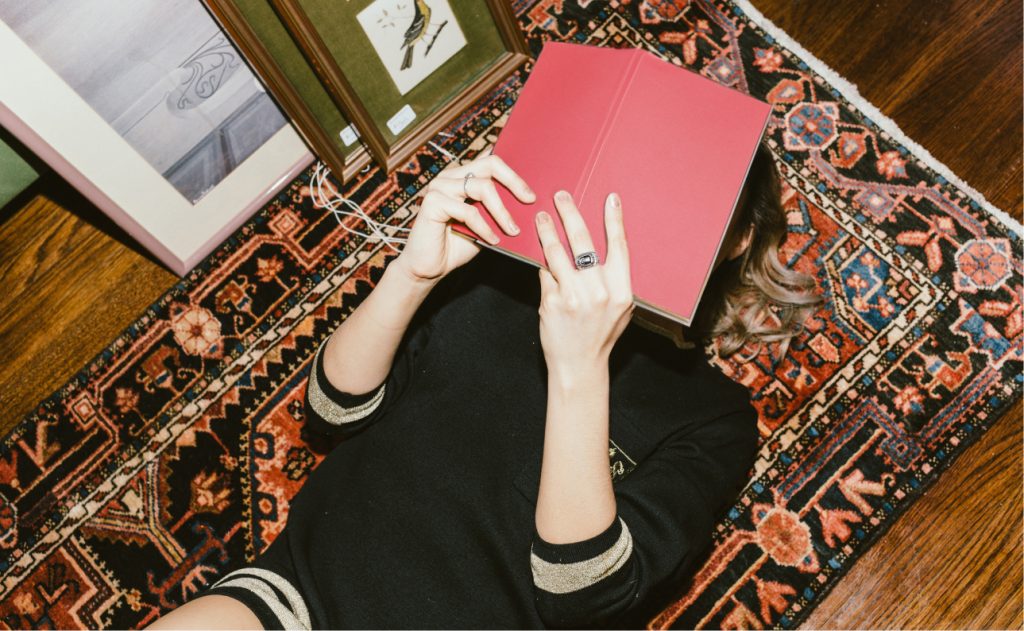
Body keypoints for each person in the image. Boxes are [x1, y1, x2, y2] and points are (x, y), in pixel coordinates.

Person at [147, 142, 819, 630]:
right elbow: (330, 408)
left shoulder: (715, 416)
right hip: (296, 595)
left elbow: (584, 592)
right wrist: (412, 273)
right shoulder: (496, 279)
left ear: (739, 239)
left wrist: (580, 369)